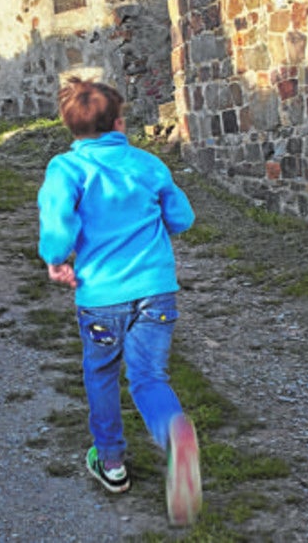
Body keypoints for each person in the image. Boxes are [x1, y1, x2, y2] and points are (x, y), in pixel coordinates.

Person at [37, 76, 202, 526]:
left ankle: (111, 461)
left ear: (69, 128)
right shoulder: (148, 165)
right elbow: (182, 217)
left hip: (100, 296)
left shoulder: (67, 170)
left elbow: (57, 224)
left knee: (102, 373)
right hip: (156, 291)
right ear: (121, 123)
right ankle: (173, 433)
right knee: (149, 376)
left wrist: (56, 259)